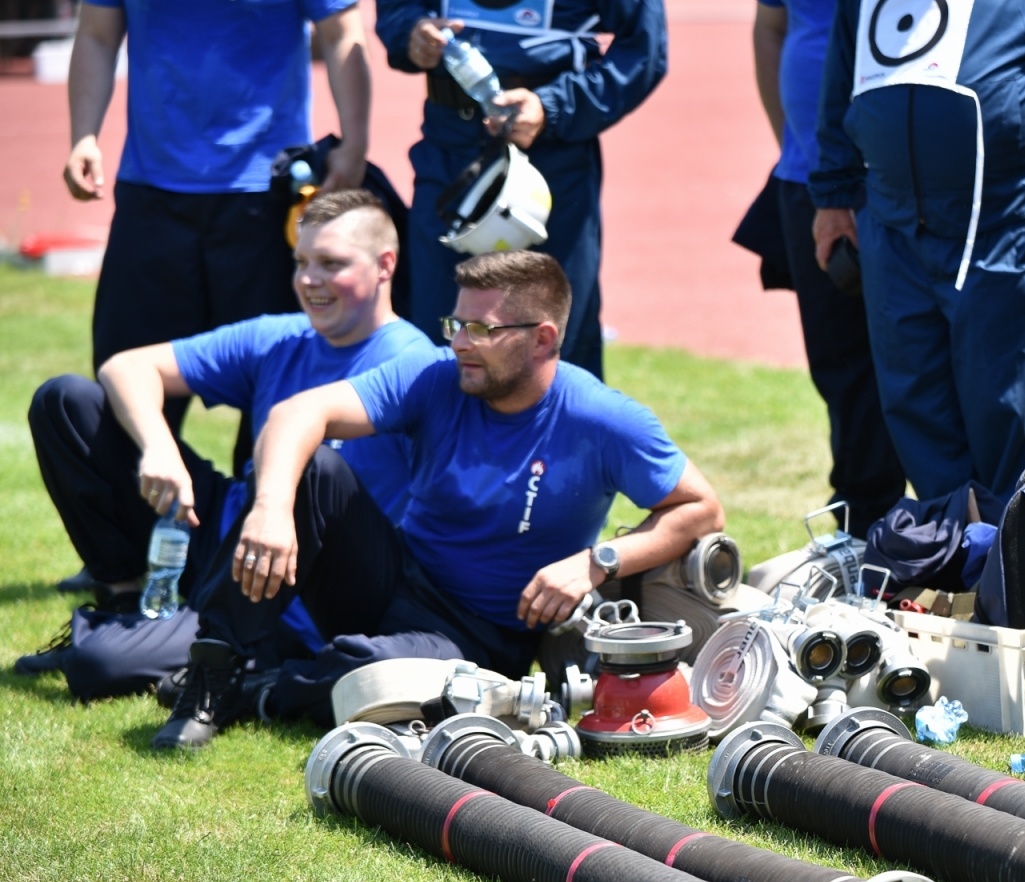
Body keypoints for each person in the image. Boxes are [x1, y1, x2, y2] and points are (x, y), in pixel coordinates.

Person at [160, 250, 723, 746]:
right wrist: (271, 508)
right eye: (456, 322)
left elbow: (701, 508)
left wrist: (597, 562)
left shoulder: (601, 417)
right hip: (395, 579)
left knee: (372, 676)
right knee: (315, 471)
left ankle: (268, 688)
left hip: (480, 636)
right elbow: (297, 412)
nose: (458, 342)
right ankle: (212, 673)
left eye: (481, 328)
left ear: (543, 338)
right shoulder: (437, 374)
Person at [21, 191, 433, 712]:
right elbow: (125, 367)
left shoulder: (417, 368)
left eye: (332, 264)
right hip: (223, 534)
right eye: (302, 262)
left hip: (293, 584)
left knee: (97, 665)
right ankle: (126, 601)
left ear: (385, 266)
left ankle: (153, 638)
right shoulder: (281, 337)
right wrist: (158, 448)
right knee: (67, 401)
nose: (310, 280)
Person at [808, 0, 1025, 501]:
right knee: (913, 403)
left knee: (1004, 408)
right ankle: (957, 554)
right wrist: (833, 196)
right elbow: (840, 83)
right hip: (891, 229)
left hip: (999, 227)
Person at [63, 0, 372, 479]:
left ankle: (262, 542)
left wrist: (356, 142)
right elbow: (98, 34)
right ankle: (132, 551)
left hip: (265, 197)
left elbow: (341, 32)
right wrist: (83, 135)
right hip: (152, 195)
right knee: (125, 387)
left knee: (277, 396)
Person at [374, 0, 667, 380]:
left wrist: (554, 107)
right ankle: (441, 441)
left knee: (556, 348)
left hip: (552, 153)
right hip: (450, 146)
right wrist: (409, 32)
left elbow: (645, 50)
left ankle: (557, 441)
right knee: (439, 338)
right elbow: (399, 9)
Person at [748, 0, 905, 535]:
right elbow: (772, 26)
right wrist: (795, 149)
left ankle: (957, 529)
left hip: (901, 180)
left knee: (926, 361)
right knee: (840, 367)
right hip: (808, 183)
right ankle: (863, 528)